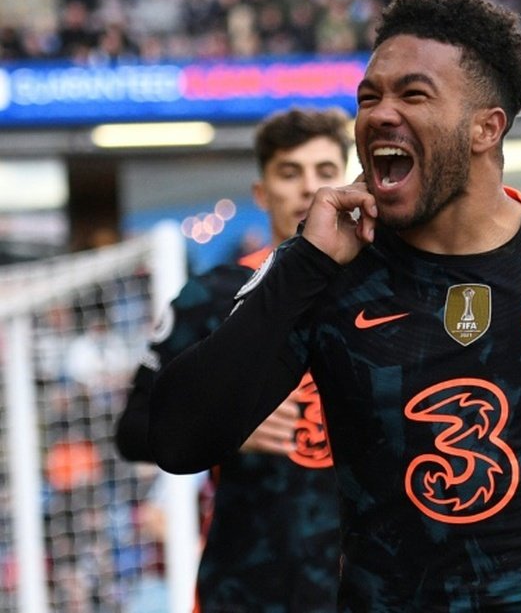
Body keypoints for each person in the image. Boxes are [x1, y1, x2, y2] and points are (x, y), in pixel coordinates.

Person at [148, 0, 521, 612]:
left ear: (485, 128)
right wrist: (304, 265)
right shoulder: (324, 271)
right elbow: (178, 440)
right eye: (370, 96)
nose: (380, 114)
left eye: (413, 94)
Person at [115, 106, 352, 611]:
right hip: (247, 584)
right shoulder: (212, 294)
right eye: (290, 173)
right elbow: (134, 429)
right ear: (262, 193)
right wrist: (225, 428)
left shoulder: (383, 289)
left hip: (367, 584)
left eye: (325, 172)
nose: (309, 188)